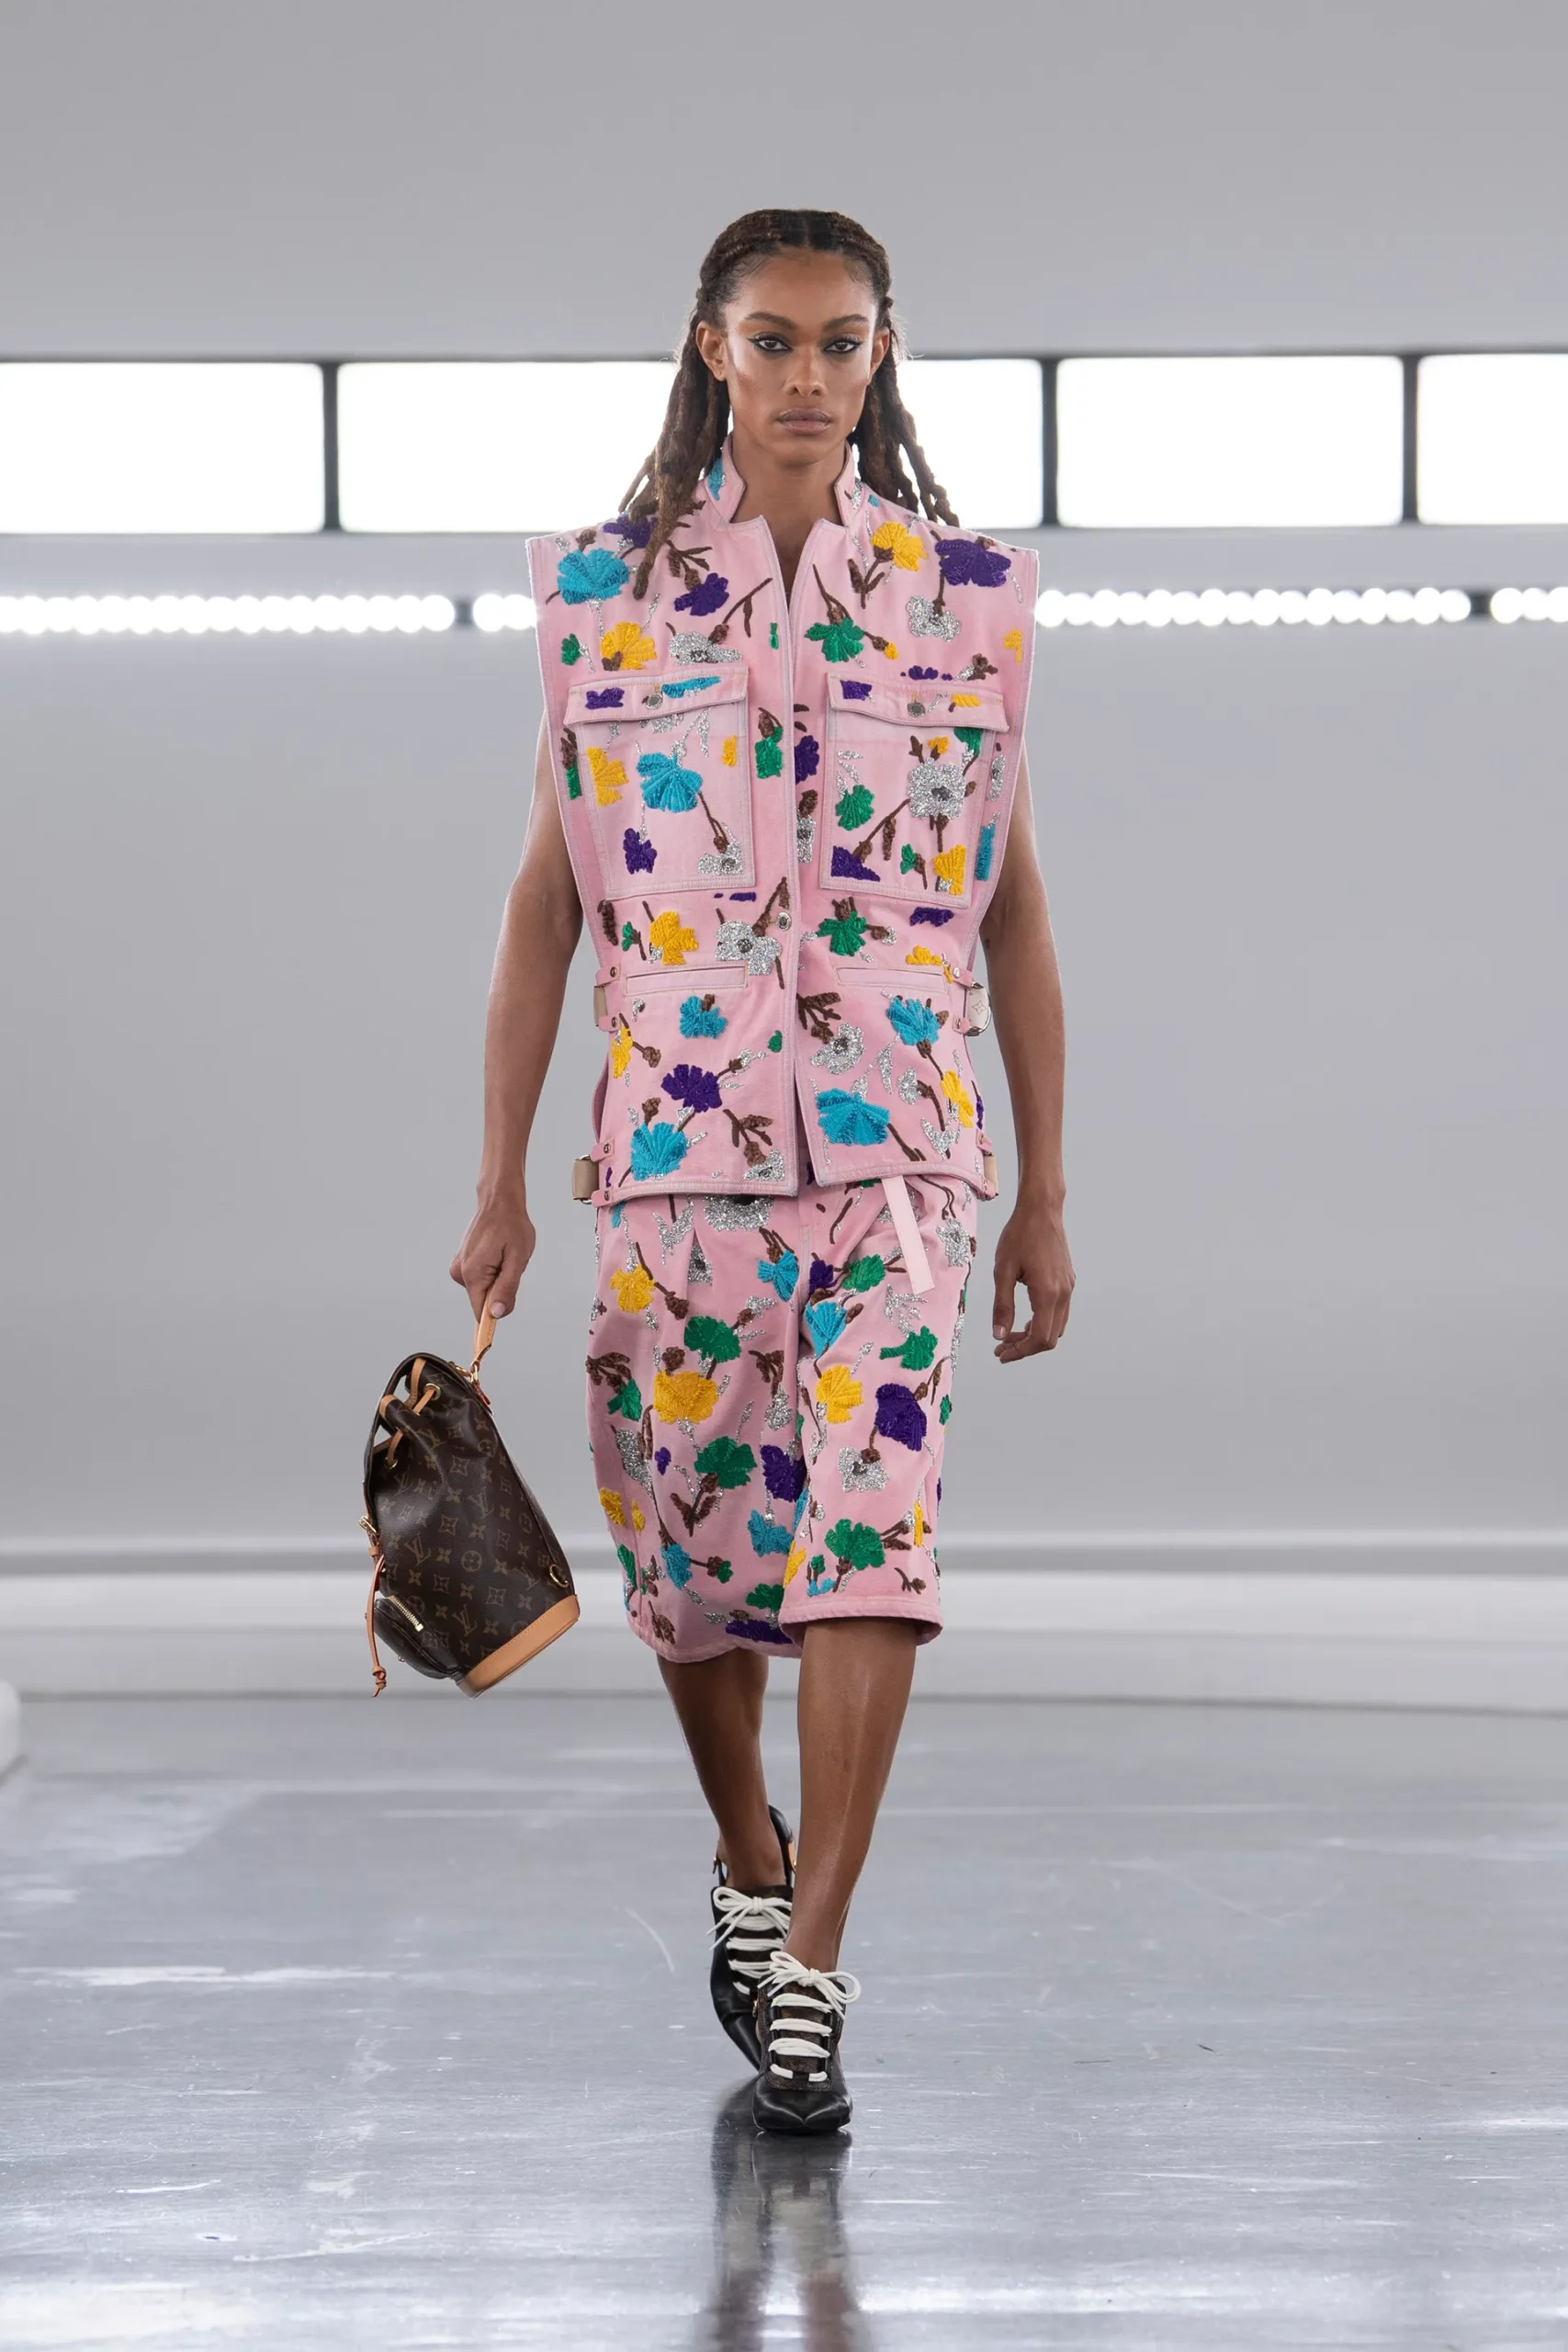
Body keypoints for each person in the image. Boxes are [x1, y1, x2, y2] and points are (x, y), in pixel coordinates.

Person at [452, 208, 1072, 2134]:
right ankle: (745, 1850)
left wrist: (1045, 1191)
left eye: (842, 340)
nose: (810, 373)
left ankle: (810, 1962)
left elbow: (1011, 913)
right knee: (699, 1562)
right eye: (776, 338)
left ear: (882, 355)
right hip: (673, 1154)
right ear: (712, 349)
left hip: (899, 1155)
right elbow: (546, 906)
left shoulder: (965, 599)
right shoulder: (602, 597)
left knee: (874, 1532)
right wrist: (500, 1181)